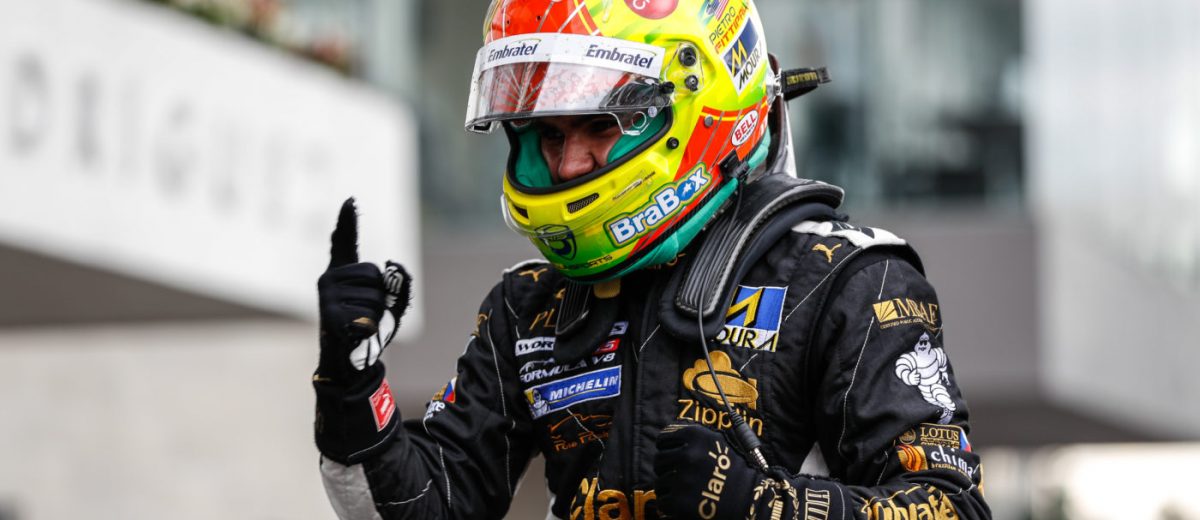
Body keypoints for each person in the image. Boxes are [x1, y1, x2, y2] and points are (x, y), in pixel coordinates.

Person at [312, 0, 991, 518]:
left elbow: (951, 507)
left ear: (703, 108)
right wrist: (351, 388)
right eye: (548, 135)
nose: (569, 163)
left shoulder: (847, 281)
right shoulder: (528, 307)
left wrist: (767, 505)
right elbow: (430, 505)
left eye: (600, 126)